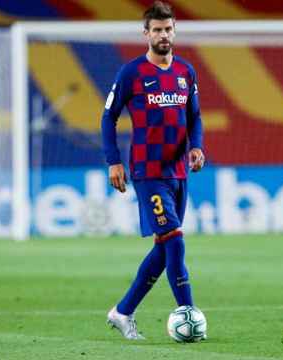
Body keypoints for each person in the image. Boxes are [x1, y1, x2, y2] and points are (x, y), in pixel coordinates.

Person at [101, 0, 206, 340]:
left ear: (174, 31)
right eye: (157, 30)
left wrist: (197, 146)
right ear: (146, 34)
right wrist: (113, 160)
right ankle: (188, 314)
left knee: (165, 248)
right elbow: (109, 116)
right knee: (175, 242)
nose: (163, 34)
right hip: (147, 172)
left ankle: (123, 311)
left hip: (178, 172)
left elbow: (195, 116)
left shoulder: (185, 72)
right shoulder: (131, 73)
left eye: (168, 29)